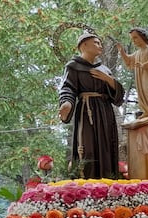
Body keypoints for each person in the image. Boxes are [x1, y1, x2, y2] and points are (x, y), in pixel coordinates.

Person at [58, 33, 125, 179]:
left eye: (100, 43)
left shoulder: (105, 70)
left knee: (107, 146)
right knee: (87, 147)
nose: (100, 45)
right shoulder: (73, 67)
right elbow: (67, 88)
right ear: (84, 45)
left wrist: (109, 80)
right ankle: (87, 183)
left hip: (105, 112)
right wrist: (67, 103)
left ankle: (108, 180)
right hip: (86, 112)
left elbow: (118, 96)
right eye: (96, 43)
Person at [116, 28, 148, 118]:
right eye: (132, 39)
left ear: (142, 37)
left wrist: (143, 65)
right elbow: (129, 60)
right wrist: (122, 52)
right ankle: (147, 110)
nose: (134, 41)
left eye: (135, 38)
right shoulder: (137, 53)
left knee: (147, 90)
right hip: (140, 77)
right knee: (141, 92)